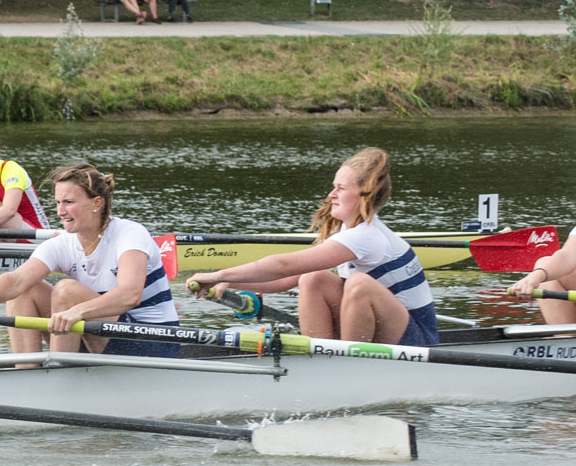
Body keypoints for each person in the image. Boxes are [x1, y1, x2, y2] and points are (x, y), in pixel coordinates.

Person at [187, 147, 440, 346]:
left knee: (358, 284)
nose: (331, 195)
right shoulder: (347, 231)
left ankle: (349, 366)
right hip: (386, 329)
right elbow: (287, 277)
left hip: (418, 340)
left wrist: (219, 272)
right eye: (333, 187)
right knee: (312, 278)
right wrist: (230, 282)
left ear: (365, 193)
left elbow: (283, 264)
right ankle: (321, 356)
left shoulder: (368, 236)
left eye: (340, 189)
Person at [0, 164, 179, 357]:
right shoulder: (63, 243)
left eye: (69, 202)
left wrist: (77, 310)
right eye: (58, 203)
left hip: (153, 342)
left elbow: (130, 295)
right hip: (104, 335)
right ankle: (26, 371)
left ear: (97, 203)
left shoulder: (130, 234)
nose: (60, 212)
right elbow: (16, 281)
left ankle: (59, 372)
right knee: (26, 290)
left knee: (66, 291)